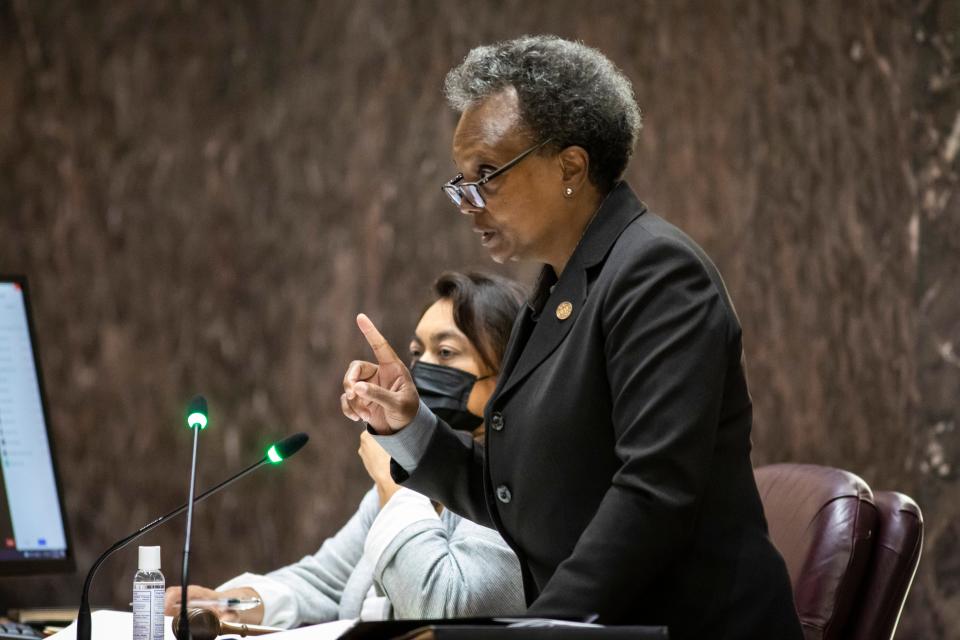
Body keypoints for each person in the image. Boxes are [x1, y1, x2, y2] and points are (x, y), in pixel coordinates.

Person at [341, 36, 804, 639]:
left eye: (488, 174)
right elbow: (516, 495)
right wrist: (407, 426)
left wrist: (541, 630)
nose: (469, 203)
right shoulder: (558, 291)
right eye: (461, 182)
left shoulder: (656, 271)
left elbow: (653, 492)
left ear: (571, 167)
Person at [166, 271, 527, 628]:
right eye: (417, 352)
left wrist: (396, 487)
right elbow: (324, 581)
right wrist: (228, 604)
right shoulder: (396, 488)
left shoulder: (511, 482)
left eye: (446, 352)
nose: (422, 368)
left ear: (508, 372)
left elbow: (455, 612)